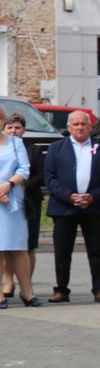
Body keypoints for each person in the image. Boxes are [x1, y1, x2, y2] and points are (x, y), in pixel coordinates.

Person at [43, 110, 100, 303]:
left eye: (83, 124)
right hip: (64, 207)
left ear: (90, 127)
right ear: (69, 127)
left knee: (97, 250)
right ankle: (61, 289)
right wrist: (69, 196)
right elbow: (50, 178)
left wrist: (93, 196)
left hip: (92, 206)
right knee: (62, 251)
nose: (80, 127)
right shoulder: (56, 148)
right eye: (76, 124)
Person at [0, 106, 41, 307]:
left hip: (14, 201)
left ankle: (27, 292)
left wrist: (8, 185)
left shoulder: (16, 143)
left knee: (19, 247)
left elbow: (24, 169)